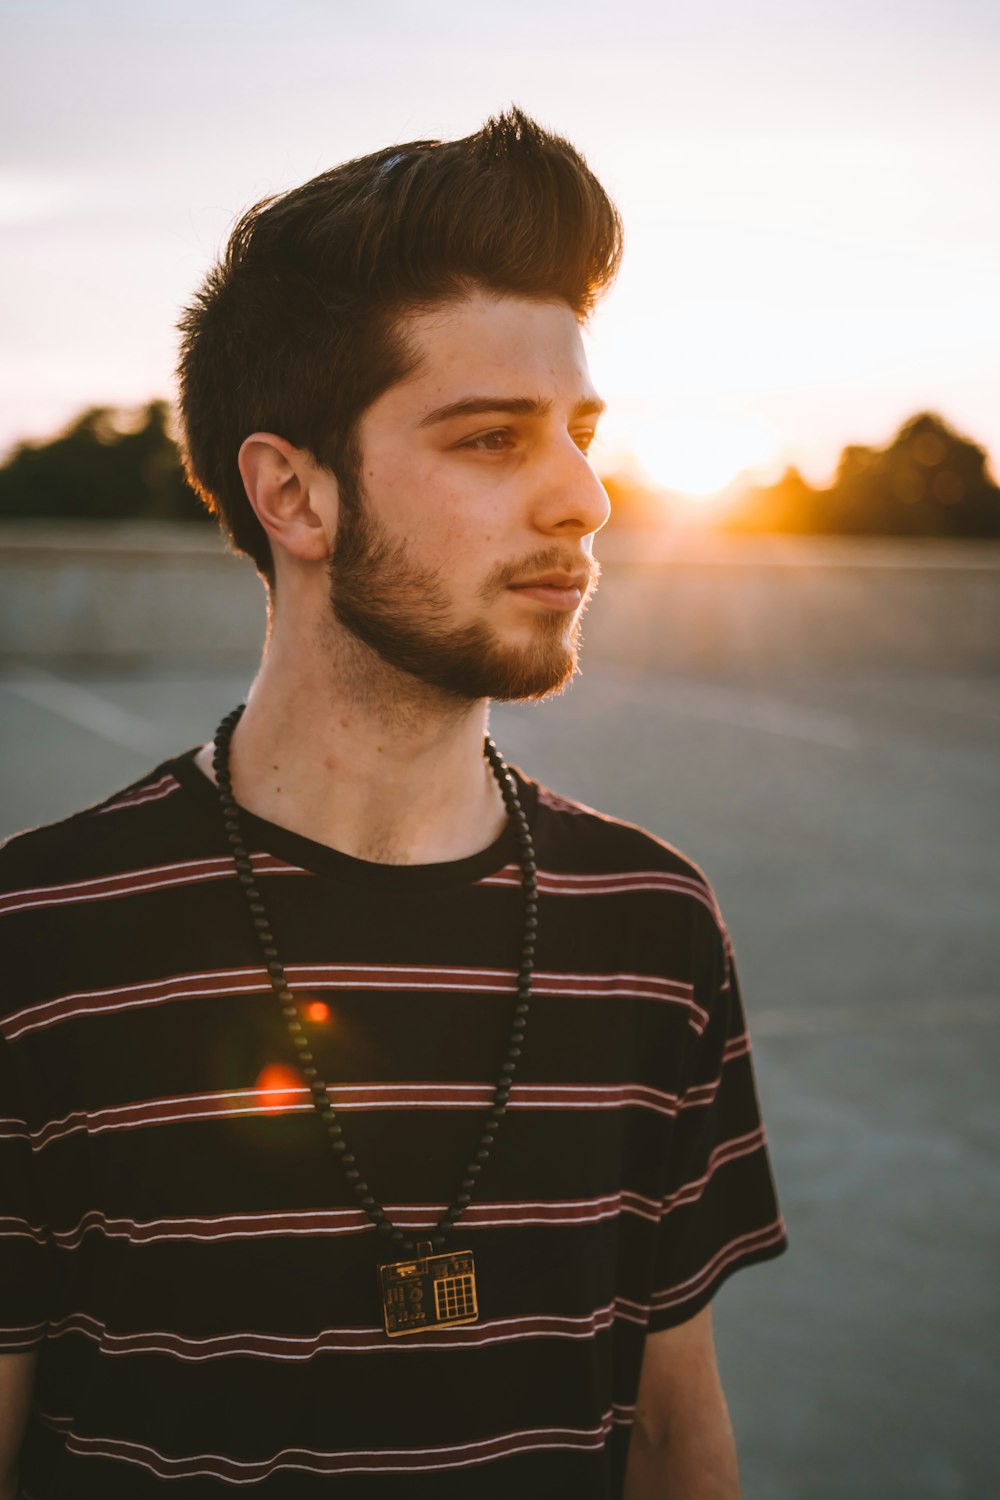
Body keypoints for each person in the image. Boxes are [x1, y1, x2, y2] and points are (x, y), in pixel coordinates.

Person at [0, 109, 786, 1499]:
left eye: (581, 434)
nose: (584, 499)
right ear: (293, 496)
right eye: (492, 440)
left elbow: (673, 1433)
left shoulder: (653, 926)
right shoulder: (40, 946)